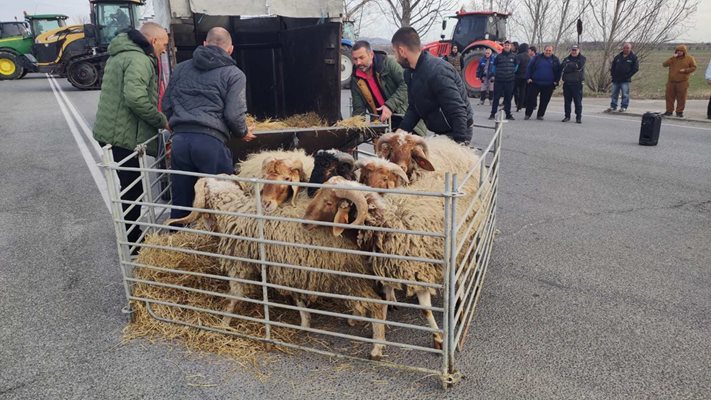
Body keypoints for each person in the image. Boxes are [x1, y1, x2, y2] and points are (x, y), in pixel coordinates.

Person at [162, 27, 256, 219]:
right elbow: (233, 114)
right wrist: (242, 132)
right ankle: (219, 242)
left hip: (180, 141)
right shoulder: (234, 74)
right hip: (210, 143)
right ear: (230, 49)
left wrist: (177, 124)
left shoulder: (180, 68)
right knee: (221, 198)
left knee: (182, 197)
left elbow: (166, 104)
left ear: (205, 44)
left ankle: (177, 242)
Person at [93, 22, 170, 245]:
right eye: (164, 44)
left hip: (110, 130)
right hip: (121, 134)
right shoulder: (139, 60)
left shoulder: (121, 54)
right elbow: (135, 98)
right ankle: (133, 239)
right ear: (154, 40)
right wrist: (161, 121)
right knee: (132, 188)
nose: (164, 50)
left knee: (130, 185)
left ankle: (132, 234)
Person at [391, 27, 474, 144]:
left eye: (394, 52)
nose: (395, 57)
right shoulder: (409, 73)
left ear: (402, 51)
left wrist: (459, 144)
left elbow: (458, 110)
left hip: (458, 130)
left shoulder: (438, 71)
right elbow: (414, 107)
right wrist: (401, 131)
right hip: (442, 130)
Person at [350, 40, 426, 135]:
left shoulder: (389, 63)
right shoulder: (355, 78)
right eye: (355, 59)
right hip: (381, 124)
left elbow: (407, 84)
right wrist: (353, 135)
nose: (358, 62)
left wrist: (390, 105)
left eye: (362, 57)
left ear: (371, 54)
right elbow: (358, 109)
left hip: (405, 118)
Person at [524, 45, 560, 120]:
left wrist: (556, 81)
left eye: (550, 51)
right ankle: (528, 114)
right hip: (535, 83)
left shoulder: (555, 60)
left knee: (544, 101)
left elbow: (558, 72)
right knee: (530, 99)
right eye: (547, 50)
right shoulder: (537, 58)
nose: (548, 52)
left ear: (552, 51)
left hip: (549, 84)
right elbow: (529, 68)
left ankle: (540, 115)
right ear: (544, 50)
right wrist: (528, 78)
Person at [662, 45, 697, 118]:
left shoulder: (689, 58)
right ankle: (669, 111)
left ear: (684, 52)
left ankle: (679, 112)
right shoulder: (673, 58)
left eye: (681, 51)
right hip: (671, 82)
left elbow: (694, 67)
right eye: (678, 51)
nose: (679, 52)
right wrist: (672, 57)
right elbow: (664, 64)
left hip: (682, 82)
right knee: (669, 97)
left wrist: (685, 70)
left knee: (681, 98)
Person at [488, 40, 518, 120]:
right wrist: (494, 75)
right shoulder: (498, 56)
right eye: (505, 45)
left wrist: (511, 73)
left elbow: (516, 67)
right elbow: (494, 67)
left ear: (510, 46)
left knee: (508, 98)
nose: (507, 46)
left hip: (510, 81)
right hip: (499, 80)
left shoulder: (514, 56)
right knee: (496, 98)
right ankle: (492, 114)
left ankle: (508, 114)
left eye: (508, 45)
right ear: (503, 46)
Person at [606, 42, 639, 113]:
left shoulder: (633, 57)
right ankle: (613, 106)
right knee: (614, 94)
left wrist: (628, 75)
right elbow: (613, 67)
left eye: (627, 48)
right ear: (622, 48)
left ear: (630, 49)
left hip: (625, 80)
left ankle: (624, 107)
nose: (626, 49)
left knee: (625, 94)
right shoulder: (618, 57)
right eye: (624, 48)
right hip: (616, 79)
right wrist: (613, 75)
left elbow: (635, 68)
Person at [561, 45, 586, 123]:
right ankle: (567, 116)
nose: (574, 51)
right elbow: (563, 67)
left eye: (575, 50)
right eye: (572, 50)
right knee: (567, 102)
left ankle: (578, 117)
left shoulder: (582, 58)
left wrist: (569, 65)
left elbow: (578, 66)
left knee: (578, 102)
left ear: (578, 50)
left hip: (577, 84)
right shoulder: (566, 58)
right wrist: (572, 66)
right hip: (567, 83)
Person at [514, 43, 531, 112]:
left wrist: (513, 72)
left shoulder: (519, 56)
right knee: (522, 92)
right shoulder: (529, 57)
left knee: (514, 90)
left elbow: (516, 67)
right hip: (525, 76)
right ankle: (520, 107)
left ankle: (509, 104)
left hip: (517, 76)